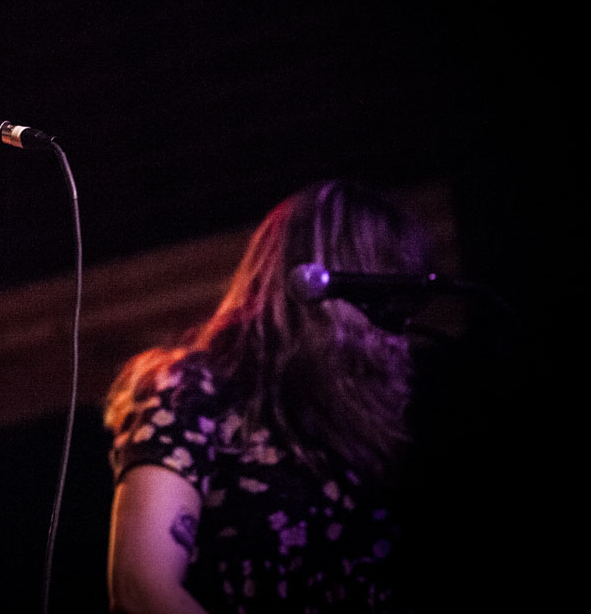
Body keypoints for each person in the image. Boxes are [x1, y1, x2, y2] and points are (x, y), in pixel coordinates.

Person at [104, 180, 430, 613]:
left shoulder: (354, 435)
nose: (398, 317)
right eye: (387, 289)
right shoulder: (192, 390)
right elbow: (141, 589)